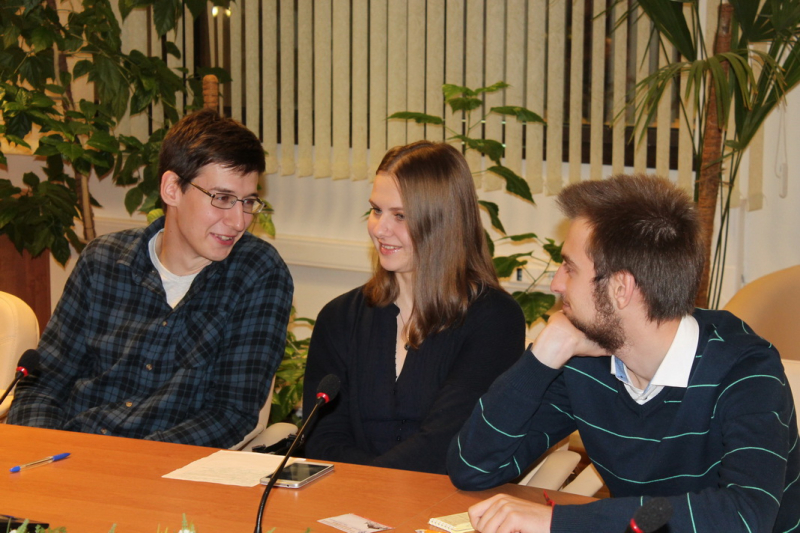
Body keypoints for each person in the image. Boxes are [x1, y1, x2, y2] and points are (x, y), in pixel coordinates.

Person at [447, 174, 799, 532]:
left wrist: (558, 521)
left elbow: (744, 516)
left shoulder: (747, 371)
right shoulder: (586, 363)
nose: (556, 283)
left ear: (621, 288)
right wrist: (542, 356)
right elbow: (472, 468)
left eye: (570, 268)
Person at [7, 109, 294, 449]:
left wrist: (131, 460)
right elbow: (44, 383)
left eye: (248, 202)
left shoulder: (258, 273)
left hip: (164, 464)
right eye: (222, 198)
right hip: (71, 452)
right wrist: (40, 449)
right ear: (172, 189)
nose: (238, 221)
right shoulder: (104, 260)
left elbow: (230, 413)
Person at [302, 140, 526, 474]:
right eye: (376, 210)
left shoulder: (494, 320)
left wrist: (372, 487)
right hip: (348, 495)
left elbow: (446, 444)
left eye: (400, 216)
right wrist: (363, 493)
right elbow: (322, 438)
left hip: (443, 499)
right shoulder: (340, 317)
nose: (380, 229)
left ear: (444, 222)